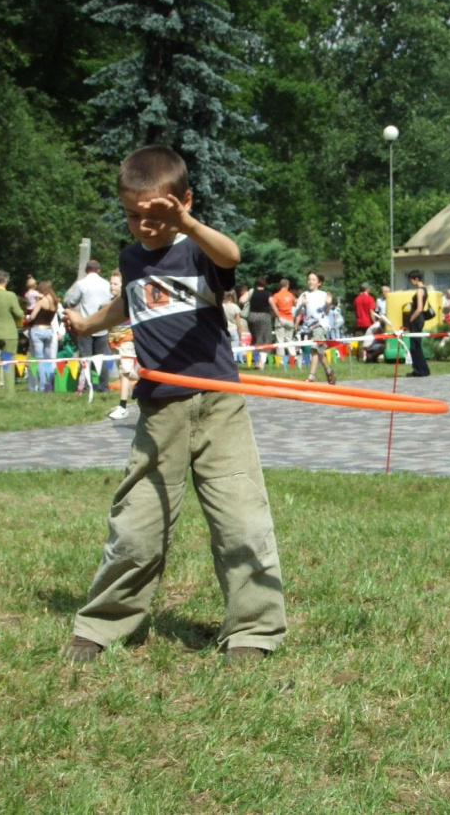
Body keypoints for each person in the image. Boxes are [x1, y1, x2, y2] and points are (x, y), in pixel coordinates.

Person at [63, 145, 286, 664]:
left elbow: (231, 255)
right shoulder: (130, 258)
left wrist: (185, 223)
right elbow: (130, 300)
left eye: (156, 214)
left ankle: (252, 630)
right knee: (136, 525)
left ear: (183, 201)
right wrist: (90, 324)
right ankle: (104, 623)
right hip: (159, 408)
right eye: (132, 215)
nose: (144, 226)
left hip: (218, 403)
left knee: (241, 519)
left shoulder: (198, 251)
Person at [64, 260, 112, 392]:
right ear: (99, 270)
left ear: (86, 270)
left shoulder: (81, 284)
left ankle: (85, 386)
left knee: (85, 357)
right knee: (101, 358)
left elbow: (71, 302)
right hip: (102, 325)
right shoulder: (106, 284)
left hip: (86, 326)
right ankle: (104, 386)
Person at [293, 271, 336, 384]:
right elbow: (297, 312)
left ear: (319, 282)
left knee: (314, 349)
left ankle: (311, 377)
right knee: (320, 352)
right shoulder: (304, 295)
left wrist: (328, 304)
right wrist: (302, 304)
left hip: (321, 325)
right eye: (309, 279)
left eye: (313, 279)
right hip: (309, 326)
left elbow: (327, 312)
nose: (310, 281)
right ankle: (329, 371)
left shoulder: (322, 295)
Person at [107, 269, 138, 419]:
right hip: (114, 341)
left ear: (122, 285)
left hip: (126, 340)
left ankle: (123, 406)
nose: (111, 286)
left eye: (115, 284)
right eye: (110, 283)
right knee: (124, 372)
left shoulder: (127, 301)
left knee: (126, 372)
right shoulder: (109, 302)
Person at [27, 279, 59, 391]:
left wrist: (27, 317)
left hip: (38, 330)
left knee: (39, 359)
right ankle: (50, 383)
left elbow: (32, 316)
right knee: (47, 358)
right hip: (49, 330)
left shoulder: (41, 302)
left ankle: (42, 385)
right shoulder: (56, 302)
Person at [405, 269, 430, 378]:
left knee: (415, 346)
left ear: (416, 279)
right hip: (419, 319)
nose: (410, 282)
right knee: (416, 345)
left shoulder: (420, 291)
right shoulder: (425, 289)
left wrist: (411, 319)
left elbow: (419, 308)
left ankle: (419, 370)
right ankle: (423, 369)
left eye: (411, 280)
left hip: (417, 319)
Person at [247, 275, 274, 369]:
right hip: (264, 317)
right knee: (266, 339)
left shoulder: (252, 291)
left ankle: (255, 361)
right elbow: (273, 305)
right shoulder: (267, 293)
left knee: (256, 339)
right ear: (264, 283)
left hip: (252, 316)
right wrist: (278, 316)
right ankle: (261, 362)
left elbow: (242, 300)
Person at [270, 278, 296, 362]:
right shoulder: (291, 295)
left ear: (280, 285)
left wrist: (275, 313)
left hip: (281, 318)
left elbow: (271, 303)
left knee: (280, 340)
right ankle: (293, 357)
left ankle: (281, 360)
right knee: (289, 339)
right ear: (287, 285)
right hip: (290, 319)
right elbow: (295, 303)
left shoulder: (277, 295)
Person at [353, 283, 376, 360]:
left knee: (360, 341)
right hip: (368, 322)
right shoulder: (370, 298)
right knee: (370, 341)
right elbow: (371, 312)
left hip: (359, 322)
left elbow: (355, 311)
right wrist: (375, 322)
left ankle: (359, 357)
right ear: (367, 289)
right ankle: (369, 356)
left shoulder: (356, 299)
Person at [222, 289, 245, 363]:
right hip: (233, 330)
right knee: (234, 350)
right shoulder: (235, 307)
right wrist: (241, 335)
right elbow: (238, 324)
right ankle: (233, 362)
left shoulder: (221, 306)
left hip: (223, 330)